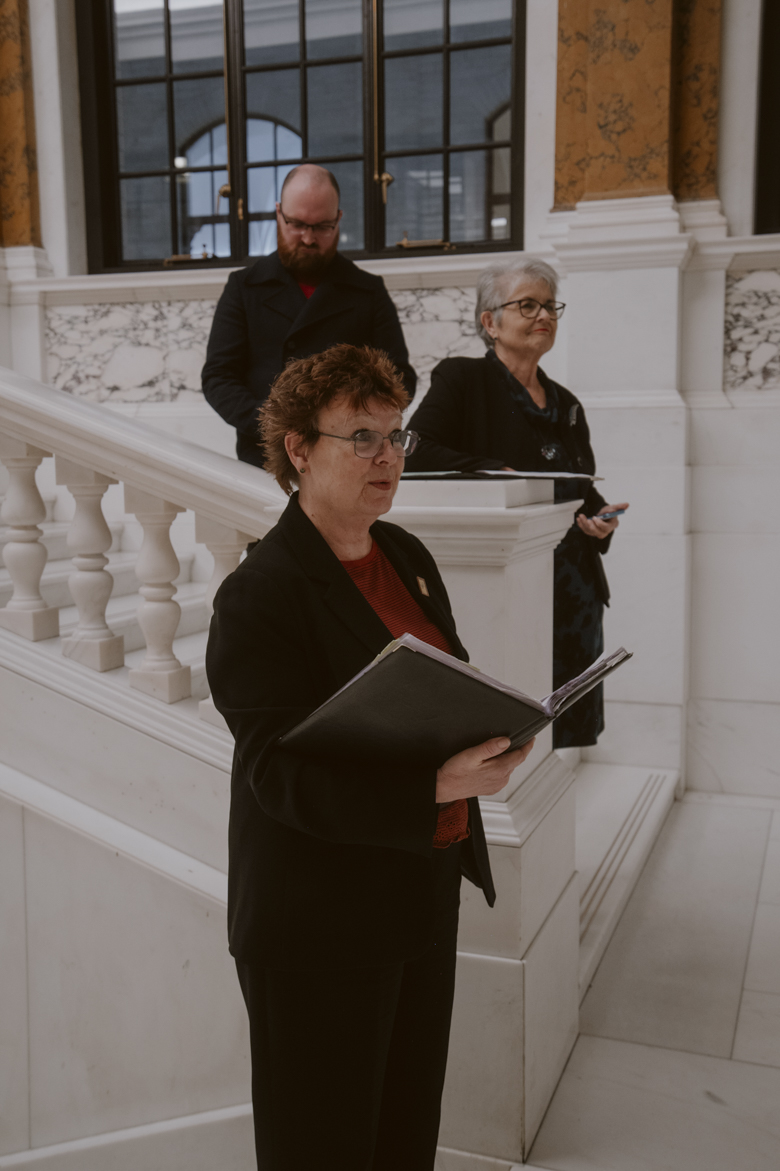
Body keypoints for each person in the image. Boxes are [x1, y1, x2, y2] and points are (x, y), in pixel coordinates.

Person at [205, 343, 535, 1171]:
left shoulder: (406, 556)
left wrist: (493, 732)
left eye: (396, 435)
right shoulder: (260, 591)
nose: (387, 456)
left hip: (419, 891)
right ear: (298, 449)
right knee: (323, 1147)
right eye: (361, 436)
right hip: (318, 919)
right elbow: (278, 773)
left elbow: (440, 689)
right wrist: (433, 783)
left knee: (403, 1134)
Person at [404, 259, 629, 749]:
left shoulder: (566, 402)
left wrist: (600, 517)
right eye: (527, 305)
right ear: (490, 321)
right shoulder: (463, 380)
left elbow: (578, 487)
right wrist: (494, 471)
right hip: (511, 586)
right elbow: (414, 451)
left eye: (549, 305)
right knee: (508, 732)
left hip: (574, 594)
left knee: (559, 732)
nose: (543, 315)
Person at [201, 164, 416, 468]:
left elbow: (400, 378)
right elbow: (218, 378)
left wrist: (346, 426)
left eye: (322, 226)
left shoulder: (368, 290)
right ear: (279, 213)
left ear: (338, 219)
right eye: (297, 224)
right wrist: (275, 425)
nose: (308, 238)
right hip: (265, 458)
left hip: (349, 459)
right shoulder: (244, 287)